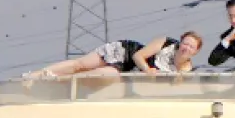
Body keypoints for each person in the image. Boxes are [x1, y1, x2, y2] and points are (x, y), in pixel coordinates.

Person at [26, 31, 203, 79]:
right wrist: (147, 69)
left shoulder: (186, 69)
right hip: (126, 52)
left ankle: (58, 80)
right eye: (185, 43)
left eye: (191, 47)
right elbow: (139, 56)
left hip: (127, 71)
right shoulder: (166, 43)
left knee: (97, 75)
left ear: (195, 52)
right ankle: (38, 74)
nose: (186, 48)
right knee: (82, 64)